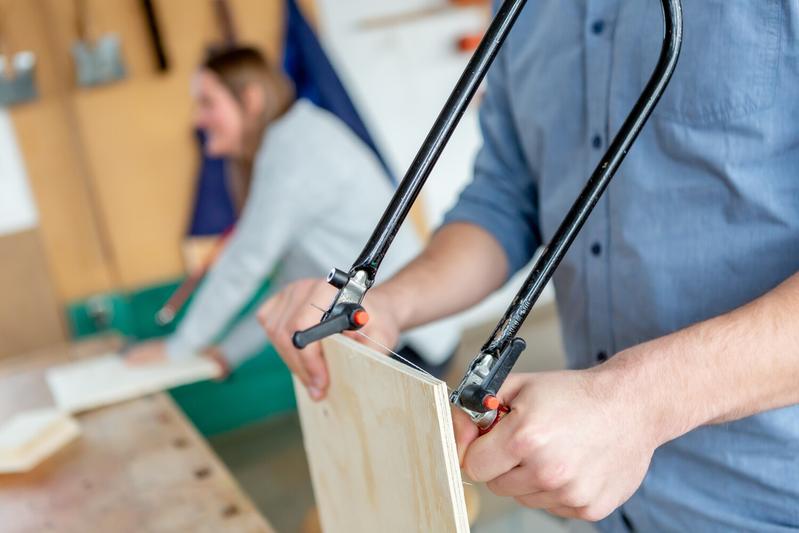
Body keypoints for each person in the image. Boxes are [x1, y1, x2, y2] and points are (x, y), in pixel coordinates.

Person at [259, 3, 799, 531]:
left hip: (767, 496)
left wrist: (638, 400)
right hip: (604, 505)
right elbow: (505, 197)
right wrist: (387, 305)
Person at [126, 46, 459, 377]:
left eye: (208, 103)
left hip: (408, 339)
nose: (198, 118)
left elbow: (244, 263)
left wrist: (177, 349)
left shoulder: (294, 152)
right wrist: (228, 353)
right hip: (397, 333)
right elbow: (292, 284)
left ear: (251, 99)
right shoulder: (292, 140)